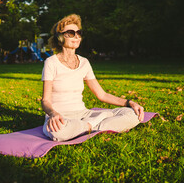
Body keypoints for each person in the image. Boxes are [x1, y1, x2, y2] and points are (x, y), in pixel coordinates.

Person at [41, 14, 144, 142]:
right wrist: (53, 114)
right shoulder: (51, 62)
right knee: (57, 132)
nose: (76, 36)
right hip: (61, 117)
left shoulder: (84, 62)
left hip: (83, 114)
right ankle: (96, 125)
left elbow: (102, 95)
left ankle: (87, 127)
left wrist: (129, 102)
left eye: (79, 33)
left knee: (133, 114)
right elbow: (45, 100)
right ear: (60, 37)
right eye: (70, 33)